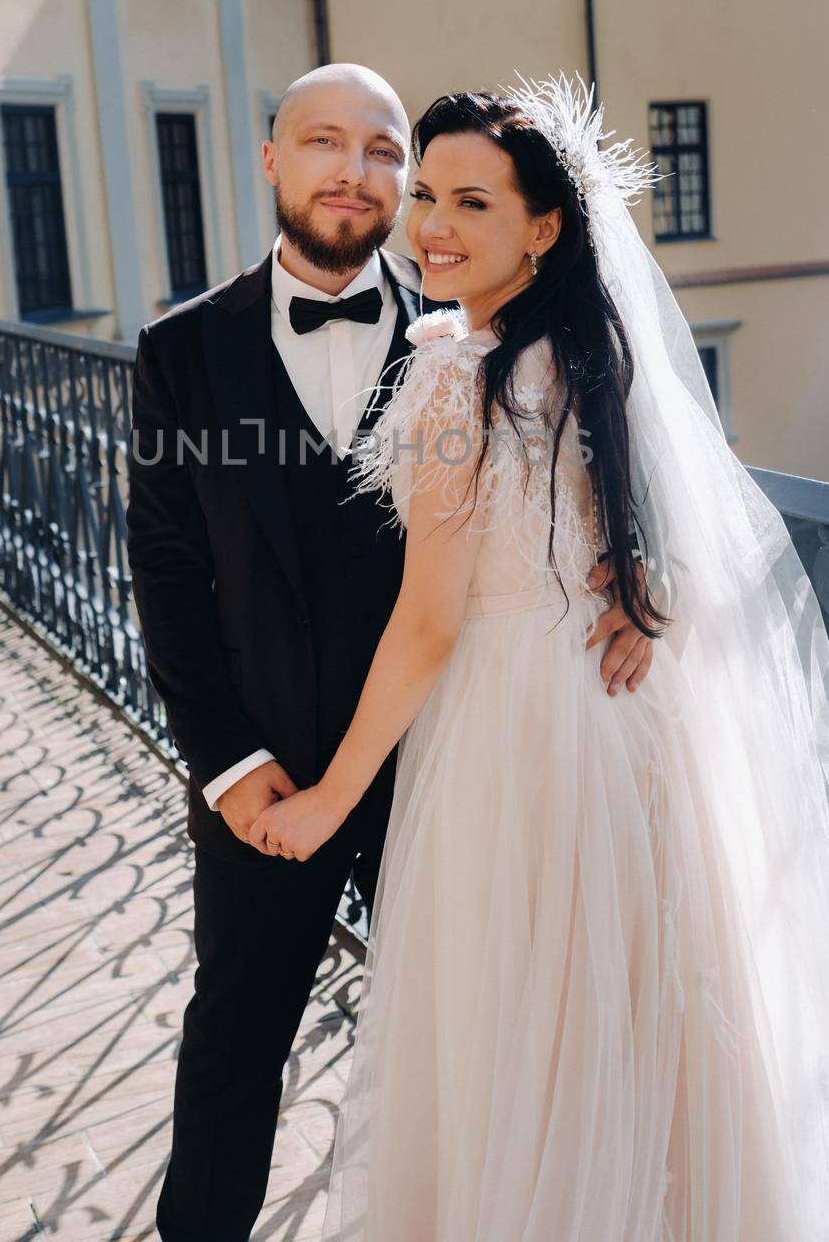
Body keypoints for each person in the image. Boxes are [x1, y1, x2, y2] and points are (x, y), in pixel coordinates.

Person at [251, 77, 829, 1241]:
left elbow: (429, 622)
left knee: (524, 1044)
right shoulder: (590, 354)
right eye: (427, 195)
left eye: (472, 203)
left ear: (543, 228)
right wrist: (644, 597)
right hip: (628, 731)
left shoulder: (454, 373)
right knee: (649, 1046)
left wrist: (330, 799)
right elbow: (647, 536)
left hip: (508, 739)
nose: (432, 226)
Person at [125, 63, 655, 1242]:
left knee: (479, 1037)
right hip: (271, 774)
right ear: (272, 162)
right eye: (324, 142)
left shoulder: (470, 321)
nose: (355, 174)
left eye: (381, 152)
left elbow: (593, 465)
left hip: (459, 762)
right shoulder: (179, 354)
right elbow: (167, 574)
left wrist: (633, 576)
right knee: (232, 1045)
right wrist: (224, 763)